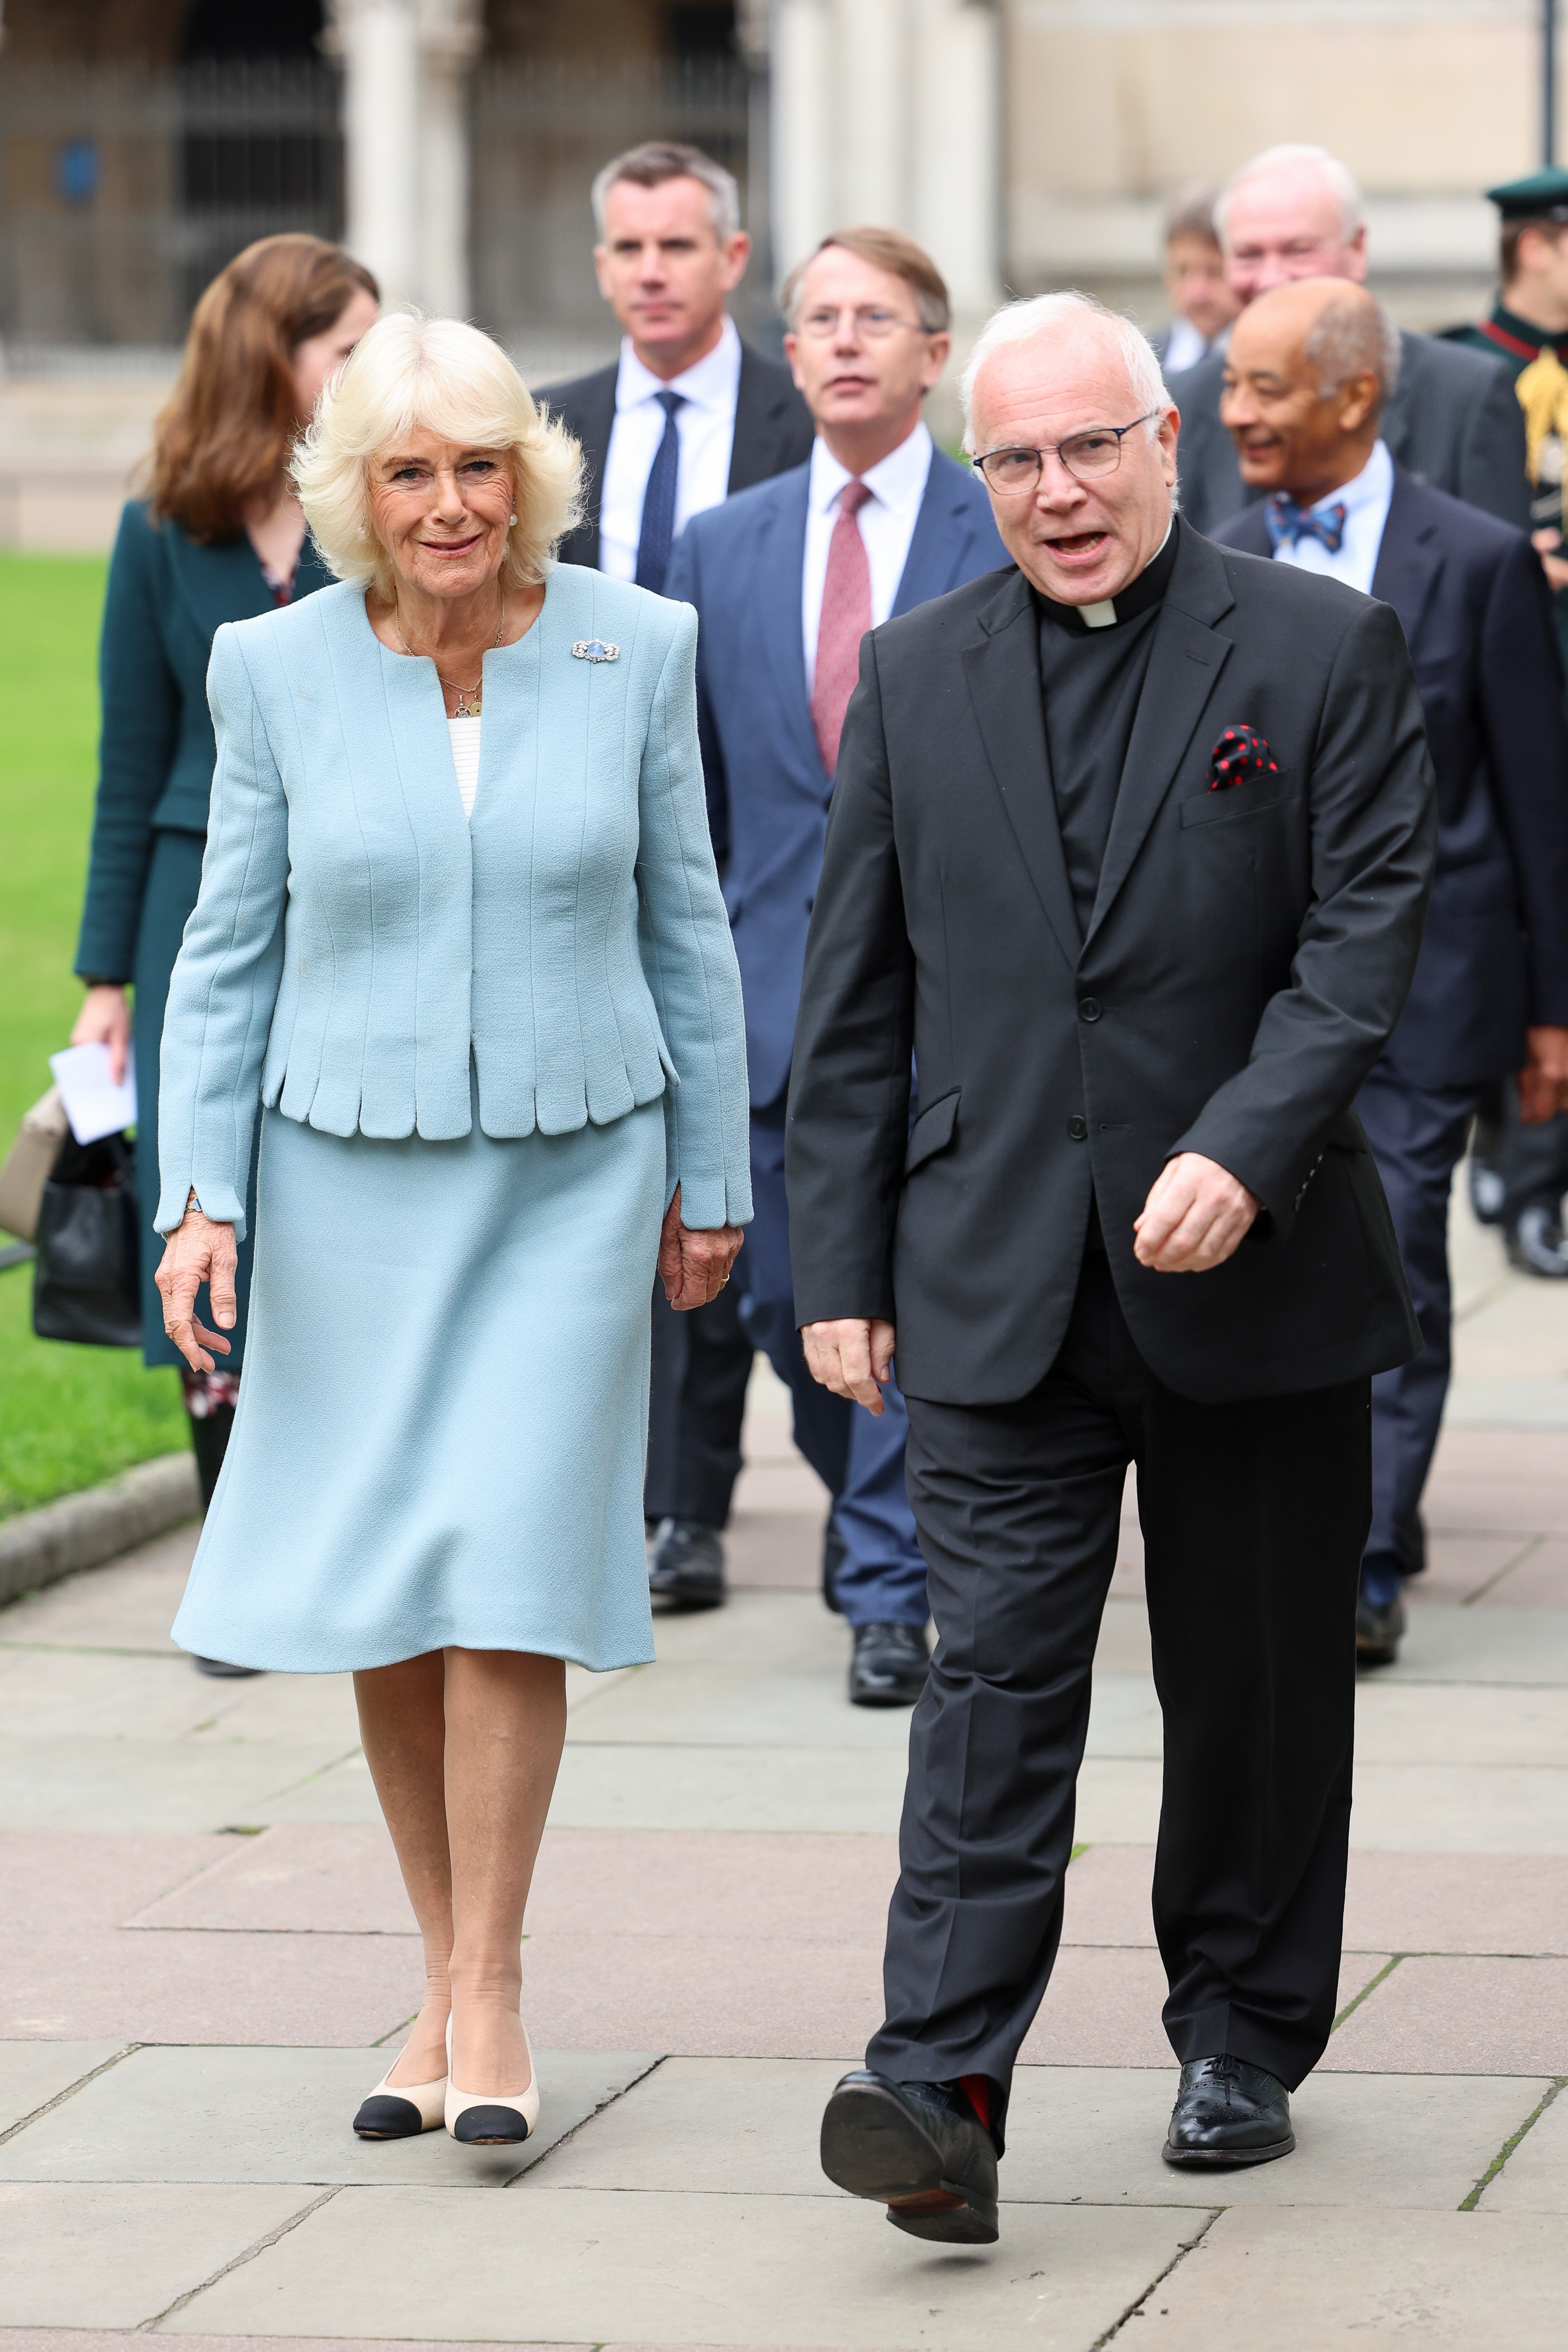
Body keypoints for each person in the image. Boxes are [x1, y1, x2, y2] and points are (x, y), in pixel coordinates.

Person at [789, 289, 1435, 2238]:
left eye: (1090, 446)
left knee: (1247, 1683)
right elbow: (855, 997)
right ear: (974, 472)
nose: (1058, 490)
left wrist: (1245, 1147)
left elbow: (1366, 939)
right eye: (1017, 458)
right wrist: (842, 1257)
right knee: (987, 1683)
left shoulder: (1323, 648)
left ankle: (1241, 2026)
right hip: (995, 1273)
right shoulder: (911, 674)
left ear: (1169, 439)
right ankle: (939, 2078)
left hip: (1255, 1271)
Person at [151, 313, 751, 2145]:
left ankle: (489, 1990)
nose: (447, 503)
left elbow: (687, 923)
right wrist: (201, 1196)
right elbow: (226, 953)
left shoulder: (632, 643)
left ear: (529, 473)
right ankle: (435, 1971)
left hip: (576, 1176)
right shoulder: (274, 670)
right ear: (353, 490)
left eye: (478, 463)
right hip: (340, 1176)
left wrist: (711, 1177)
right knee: (393, 1591)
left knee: (506, 1574)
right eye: (407, 470)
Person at [665, 227, 1006, 1705]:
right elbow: (699, 811)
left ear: (936, 354)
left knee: (913, 1302)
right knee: (787, 1306)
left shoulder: (1000, 532)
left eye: (882, 317)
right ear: (788, 355)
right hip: (767, 1000)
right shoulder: (719, 548)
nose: (849, 339)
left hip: (959, 1004)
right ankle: (884, 1504)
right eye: (822, 319)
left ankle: (885, 1583)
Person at [1209, 280, 1568, 1668]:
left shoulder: (1473, 559)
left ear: (1355, 398)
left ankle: (1358, 1559)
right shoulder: (1221, 551)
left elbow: (1536, 795)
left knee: (1399, 1246)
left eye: (1262, 388)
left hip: (1434, 986)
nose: (1232, 411)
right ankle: (1308, 1516)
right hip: (1256, 1000)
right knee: (1271, 1262)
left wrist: (1550, 1010)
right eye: (1230, 384)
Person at [69, 234, 378, 1677]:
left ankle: (339, 1536)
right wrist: (103, 981)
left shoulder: (374, 506)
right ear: (272, 351)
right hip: (195, 904)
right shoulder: (158, 530)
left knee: (334, 1202)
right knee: (204, 1202)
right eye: (344, 343)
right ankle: (238, 1555)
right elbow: (128, 764)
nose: (370, 367)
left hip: (358, 901)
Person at [538, 139, 814, 1610]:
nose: (651, 271)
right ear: (602, 268)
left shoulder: (797, 421)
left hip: (761, 833)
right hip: (594, 841)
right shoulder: (548, 427)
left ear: (732, 256)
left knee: (736, 1156)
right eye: (627, 248)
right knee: (633, 1165)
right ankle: (670, 1498)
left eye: (677, 246)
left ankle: (757, 1486)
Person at [1167, 144, 1528, 539]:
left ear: (1357, 249)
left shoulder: (1465, 396)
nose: (1271, 279)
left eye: (1298, 251)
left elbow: (1497, 580)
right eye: (1248, 255)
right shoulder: (1182, 405)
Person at [1444, 169, 1568, 1280]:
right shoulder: (1455, 366)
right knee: (1512, 924)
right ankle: (1507, 1158)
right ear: (1535, 245)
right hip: (1508, 700)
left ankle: (1540, 1180)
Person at [1148, 187, 1237, 375]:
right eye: (1182, 272)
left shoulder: (1265, 360)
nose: (1197, 293)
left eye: (1215, 272)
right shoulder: (1144, 362)